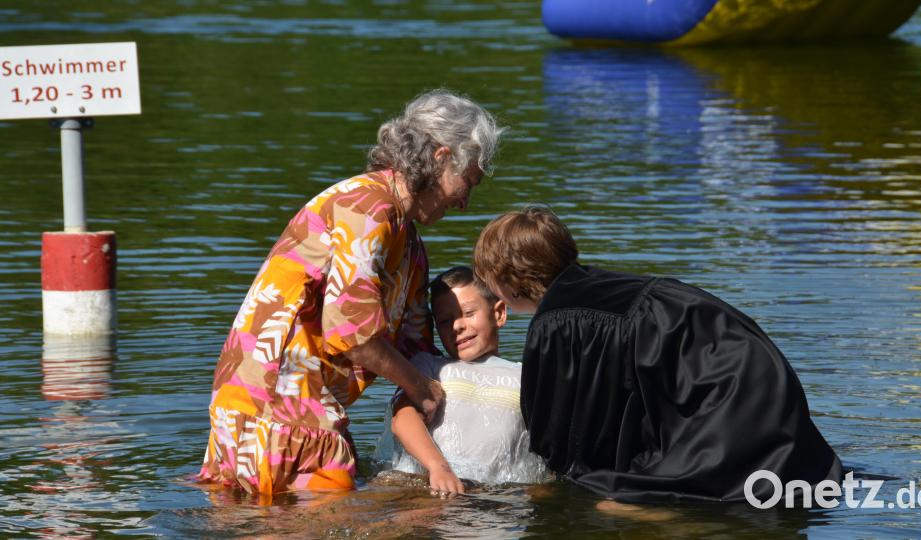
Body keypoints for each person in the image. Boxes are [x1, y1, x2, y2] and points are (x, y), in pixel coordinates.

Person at [197, 90, 502, 496]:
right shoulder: (367, 208)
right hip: (274, 403)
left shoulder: (410, 245)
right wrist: (420, 388)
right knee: (325, 515)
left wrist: (485, 384)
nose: (465, 203)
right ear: (441, 158)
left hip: (305, 405)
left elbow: (417, 350)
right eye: (468, 182)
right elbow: (352, 333)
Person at [472, 206, 842, 503]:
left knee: (612, 499)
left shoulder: (557, 320)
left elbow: (559, 429)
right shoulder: (603, 287)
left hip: (728, 408)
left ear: (510, 278)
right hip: (765, 385)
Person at [383, 266, 551, 498]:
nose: (457, 325)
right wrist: (438, 467)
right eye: (445, 321)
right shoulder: (429, 368)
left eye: (469, 313)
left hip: (490, 498)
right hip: (423, 487)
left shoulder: (526, 377)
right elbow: (403, 419)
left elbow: (550, 445)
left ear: (499, 313)